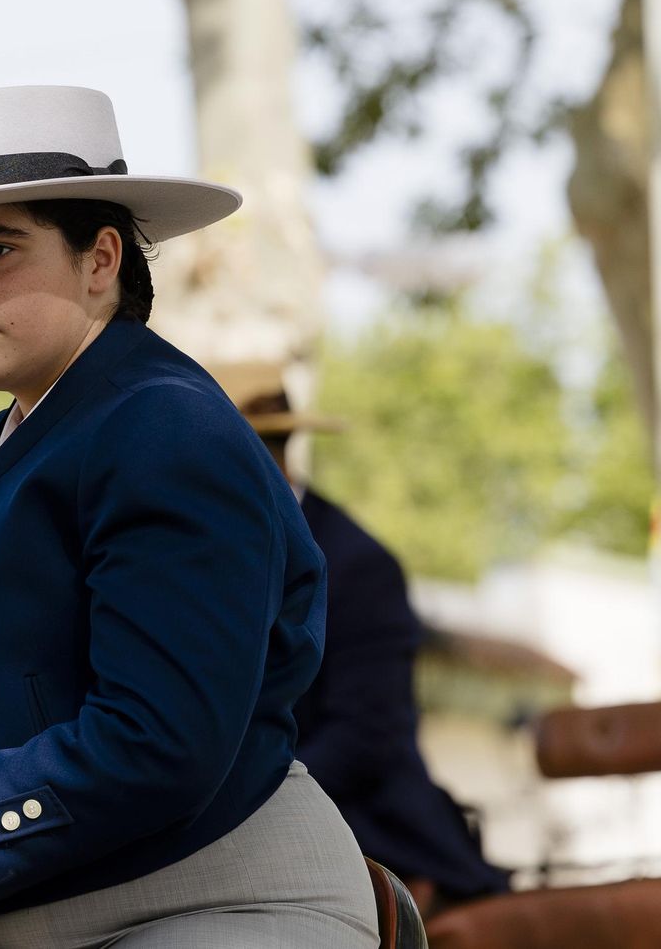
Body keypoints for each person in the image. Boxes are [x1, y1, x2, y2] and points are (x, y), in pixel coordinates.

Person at [0, 85, 378, 948]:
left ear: (101, 259)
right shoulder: (14, 434)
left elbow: (158, 740)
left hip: (221, 904)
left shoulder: (163, 426)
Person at [215, 363, 512, 916]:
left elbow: (366, 739)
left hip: (363, 832)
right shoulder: (197, 555)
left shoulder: (358, 566)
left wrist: (232, 808)